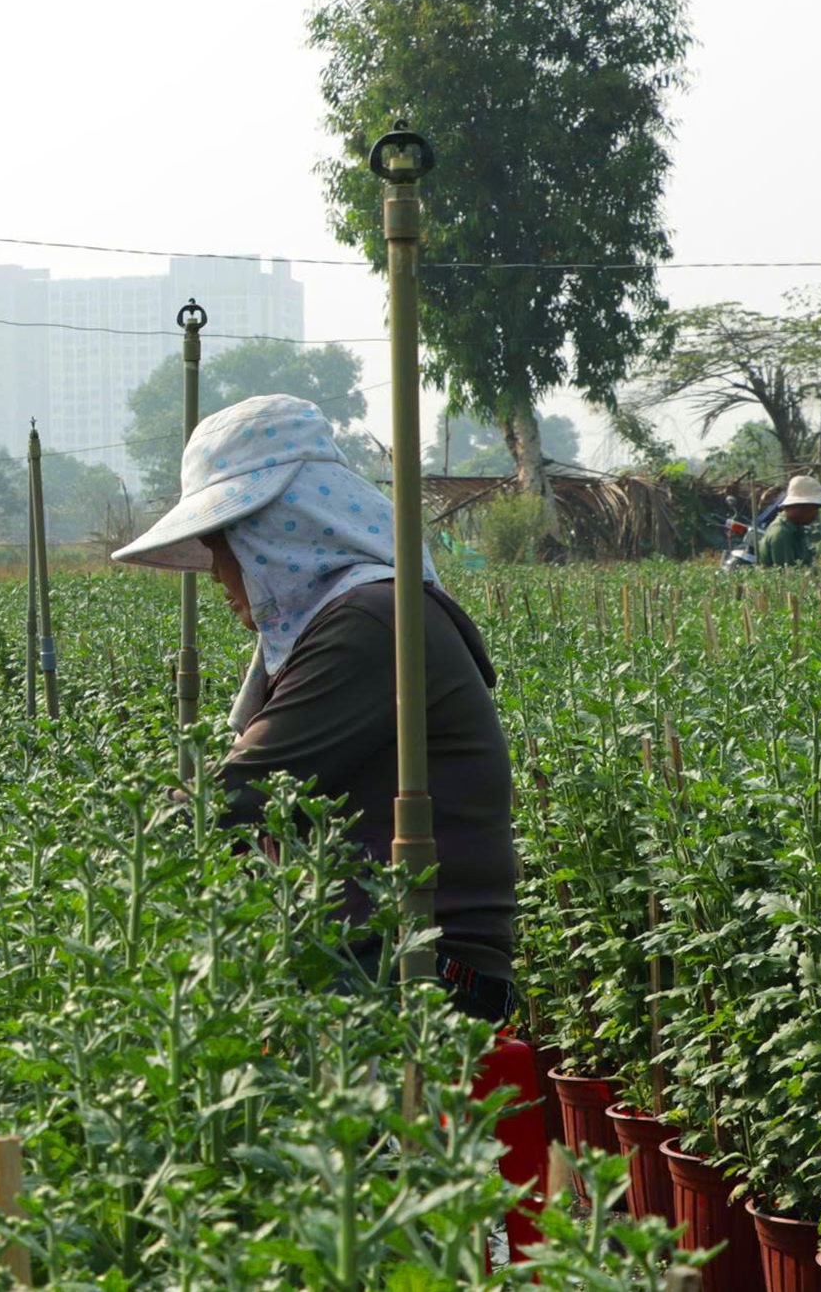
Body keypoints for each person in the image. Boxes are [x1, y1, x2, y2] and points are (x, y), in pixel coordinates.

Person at [111, 393, 518, 1021]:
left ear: (272, 542)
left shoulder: (367, 624)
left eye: (222, 553)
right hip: (382, 950)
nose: (217, 578)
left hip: (411, 969)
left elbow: (236, 794)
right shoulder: (358, 614)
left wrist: (105, 866)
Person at [758, 473, 821, 568]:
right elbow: (788, 576)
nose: (816, 514)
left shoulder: (795, 529)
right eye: (813, 509)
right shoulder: (782, 534)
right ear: (800, 507)